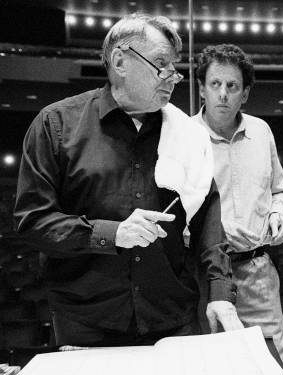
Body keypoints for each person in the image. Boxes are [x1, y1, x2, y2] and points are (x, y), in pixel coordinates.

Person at [13, 14, 242, 348]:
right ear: (120, 61)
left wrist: (220, 292)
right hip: (87, 321)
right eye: (161, 64)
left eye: (174, 67)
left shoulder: (187, 134)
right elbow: (33, 220)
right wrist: (111, 233)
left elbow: (208, 218)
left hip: (172, 316)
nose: (173, 77)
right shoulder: (56, 124)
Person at [193, 44, 283, 375]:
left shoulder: (262, 131)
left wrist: (280, 213)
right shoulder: (182, 137)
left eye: (232, 86)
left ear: (245, 93)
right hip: (205, 276)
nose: (223, 94)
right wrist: (214, 233)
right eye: (215, 84)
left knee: (276, 370)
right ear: (201, 88)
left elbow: (280, 189)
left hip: (258, 272)